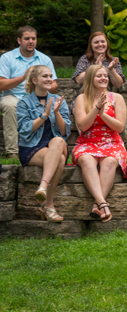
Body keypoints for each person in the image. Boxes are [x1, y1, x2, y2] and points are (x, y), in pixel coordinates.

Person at [72, 65, 127, 222]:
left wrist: (103, 114)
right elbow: (83, 126)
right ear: (91, 79)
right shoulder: (82, 99)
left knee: (110, 161)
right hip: (87, 141)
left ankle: (98, 205)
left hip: (112, 141)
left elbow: (120, 127)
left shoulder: (117, 98)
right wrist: (96, 108)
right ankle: (103, 203)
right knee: (86, 160)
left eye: (105, 75)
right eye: (99, 76)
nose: (104, 78)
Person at [16, 65, 70, 222]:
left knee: (59, 140)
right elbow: (25, 130)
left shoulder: (59, 100)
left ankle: (43, 186)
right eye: (45, 76)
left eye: (50, 76)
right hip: (32, 147)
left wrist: (56, 112)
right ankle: (49, 205)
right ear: (34, 80)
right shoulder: (24, 103)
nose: (49, 79)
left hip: (55, 145)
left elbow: (64, 131)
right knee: (59, 160)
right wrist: (45, 114)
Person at [0, 26, 57, 159]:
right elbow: (1, 84)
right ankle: (13, 152)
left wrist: (46, 83)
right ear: (19, 40)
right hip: (12, 96)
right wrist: (23, 78)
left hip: (37, 97)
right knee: (10, 105)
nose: (30, 41)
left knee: (53, 105)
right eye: (27, 39)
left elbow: (54, 85)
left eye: (33, 38)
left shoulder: (44, 59)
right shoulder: (7, 58)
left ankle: (43, 148)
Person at [70, 32, 124, 112]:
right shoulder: (85, 59)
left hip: (105, 97)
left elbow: (118, 84)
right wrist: (95, 67)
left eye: (103, 41)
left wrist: (111, 69)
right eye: (96, 42)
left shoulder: (112, 61)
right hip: (86, 96)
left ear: (107, 44)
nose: (100, 44)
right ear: (91, 46)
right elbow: (79, 80)